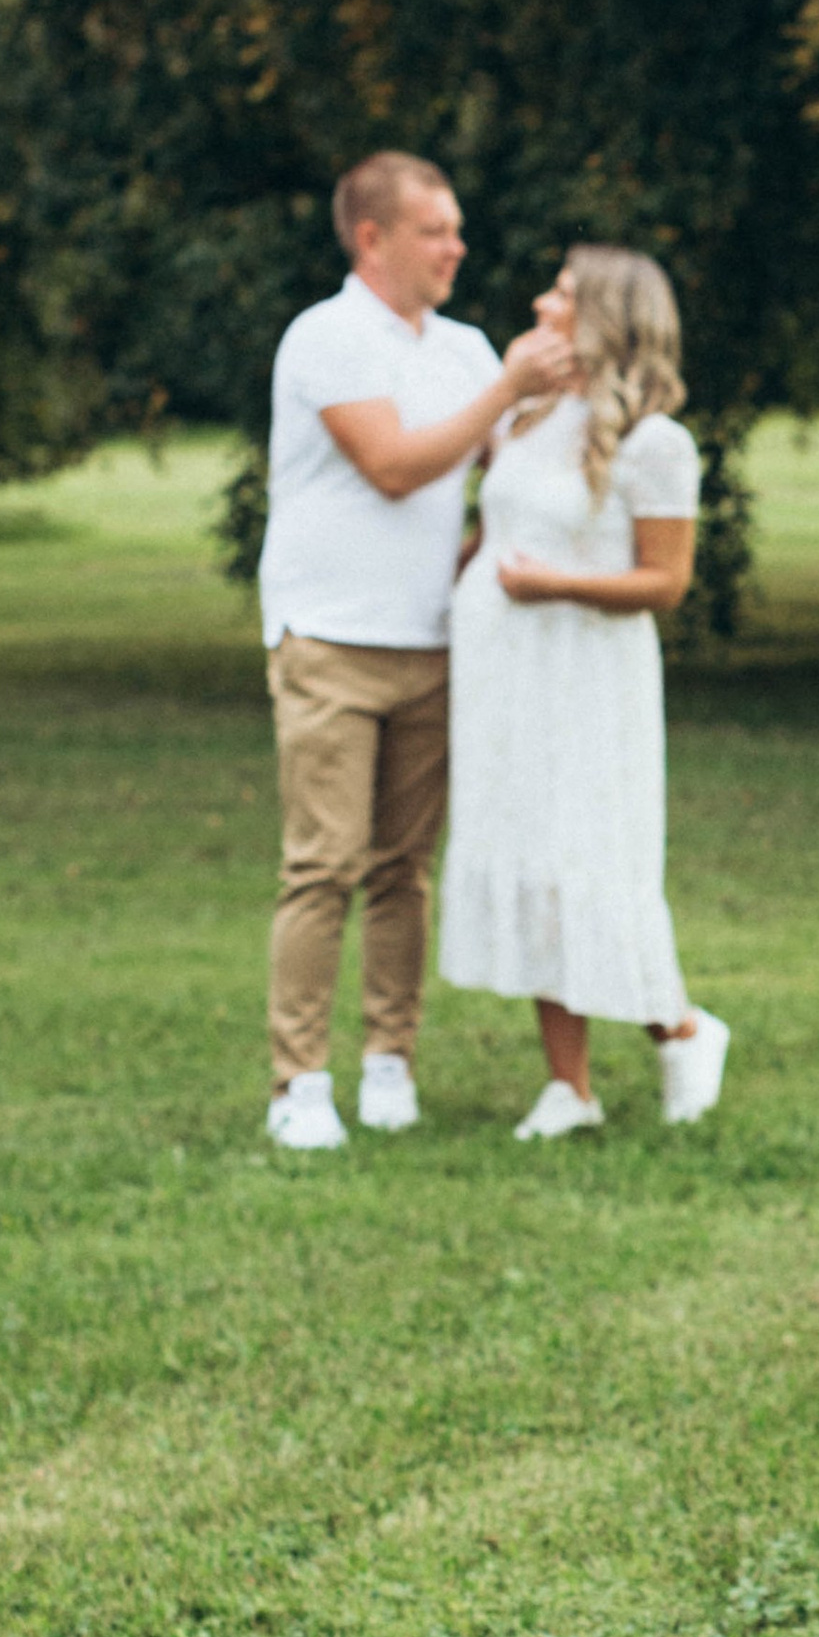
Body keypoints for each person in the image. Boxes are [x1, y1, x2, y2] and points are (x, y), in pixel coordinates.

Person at [259, 152, 572, 1151]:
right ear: (373, 238)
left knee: (403, 870)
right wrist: (511, 384)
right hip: (330, 640)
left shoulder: (469, 348)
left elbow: (516, 466)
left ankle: (388, 1062)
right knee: (324, 867)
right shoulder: (327, 336)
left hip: (435, 644)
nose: (456, 247)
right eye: (436, 229)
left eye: (456, 228)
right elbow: (394, 466)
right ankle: (298, 1085)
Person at [437, 243, 729, 1138]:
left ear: (605, 315)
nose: (540, 301)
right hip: (503, 678)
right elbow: (492, 530)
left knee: (589, 862)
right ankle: (570, 1083)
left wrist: (553, 586)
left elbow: (666, 582)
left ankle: (682, 1027)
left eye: (561, 295)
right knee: (527, 856)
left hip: (589, 680)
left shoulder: (655, 441)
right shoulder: (524, 415)